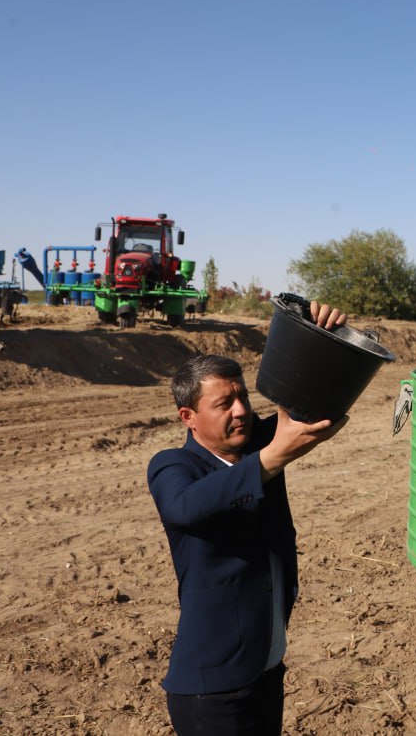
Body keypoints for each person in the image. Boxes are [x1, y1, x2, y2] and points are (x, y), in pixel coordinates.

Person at [147, 300, 348, 735]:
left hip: (265, 673)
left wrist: (319, 342)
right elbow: (185, 507)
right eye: (224, 403)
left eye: (242, 396)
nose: (240, 409)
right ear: (189, 417)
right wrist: (271, 456)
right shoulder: (173, 467)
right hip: (213, 690)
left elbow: (317, 414)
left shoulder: (256, 444)